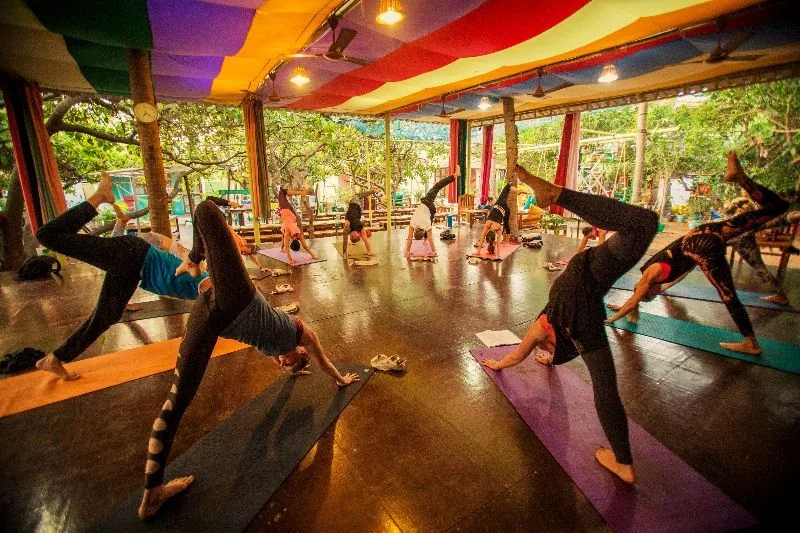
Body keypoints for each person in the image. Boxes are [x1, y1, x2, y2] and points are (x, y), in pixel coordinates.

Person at [139, 199, 360, 519]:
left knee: (177, 399)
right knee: (206, 211)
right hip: (233, 299)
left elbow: (288, 362)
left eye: (287, 366)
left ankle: (152, 494)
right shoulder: (300, 333)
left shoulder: (275, 354)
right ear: (300, 353)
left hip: (216, 314)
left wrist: (293, 370)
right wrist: (341, 380)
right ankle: (193, 258)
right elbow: (323, 360)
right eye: (292, 361)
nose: (284, 363)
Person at [481, 163, 660, 485]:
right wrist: (505, 362)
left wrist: (499, 363)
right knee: (645, 223)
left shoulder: (562, 328)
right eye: (550, 351)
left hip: (592, 274)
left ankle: (624, 463)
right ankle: (557, 194)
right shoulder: (557, 325)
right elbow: (520, 354)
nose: (544, 348)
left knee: (644, 223)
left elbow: (518, 355)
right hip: (590, 275)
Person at [606, 152, 795, 355]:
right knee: (780, 207)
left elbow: (635, 299)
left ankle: (751, 343)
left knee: (728, 294)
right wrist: (626, 306)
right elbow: (645, 293)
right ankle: (742, 180)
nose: (637, 289)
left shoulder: (651, 275)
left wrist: (611, 319)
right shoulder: (657, 276)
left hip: (701, 245)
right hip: (706, 232)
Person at [34, 173, 211, 381]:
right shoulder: (209, 285)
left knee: (107, 316)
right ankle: (98, 197)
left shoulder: (209, 290)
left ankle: (55, 359)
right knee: (47, 235)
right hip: (134, 255)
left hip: (133, 267)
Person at [722, 189, 791, 305]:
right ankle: (780, 295)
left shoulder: (746, 205)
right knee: (760, 269)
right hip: (739, 237)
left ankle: (780, 296)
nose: (744, 191)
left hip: (741, 239)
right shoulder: (747, 206)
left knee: (760, 269)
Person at [404, 167, 458, 257]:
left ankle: (425, 239)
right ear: (415, 231)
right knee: (437, 186)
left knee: (430, 225)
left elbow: (430, 239)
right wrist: (407, 251)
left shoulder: (426, 226)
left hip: (432, 210)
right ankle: (454, 175)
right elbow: (409, 238)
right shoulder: (413, 223)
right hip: (427, 203)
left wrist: (434, 251)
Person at [474, 183, 516, 255]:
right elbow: (482, 239)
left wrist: (497, 255)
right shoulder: (487, 224)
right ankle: (507, 242)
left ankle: (507, 242)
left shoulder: (498, 228)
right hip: (498, 204)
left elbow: (498, 244)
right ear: (488, 233)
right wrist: (478, 252)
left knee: (506, 224)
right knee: (507, 187)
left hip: (504, 210)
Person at [342, 187, 379, 258]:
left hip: (353, 203)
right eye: (358, 236)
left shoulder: (348, 227)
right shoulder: (360, 228)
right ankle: (372, 191)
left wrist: (344, 252)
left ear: (351, 235)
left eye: (354, 236)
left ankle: (372, 191)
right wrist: (369, 251)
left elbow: (345, 239)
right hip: (359, 208)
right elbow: (365, 240)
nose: (357, 234)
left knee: (358, 195)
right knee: (360, 196)